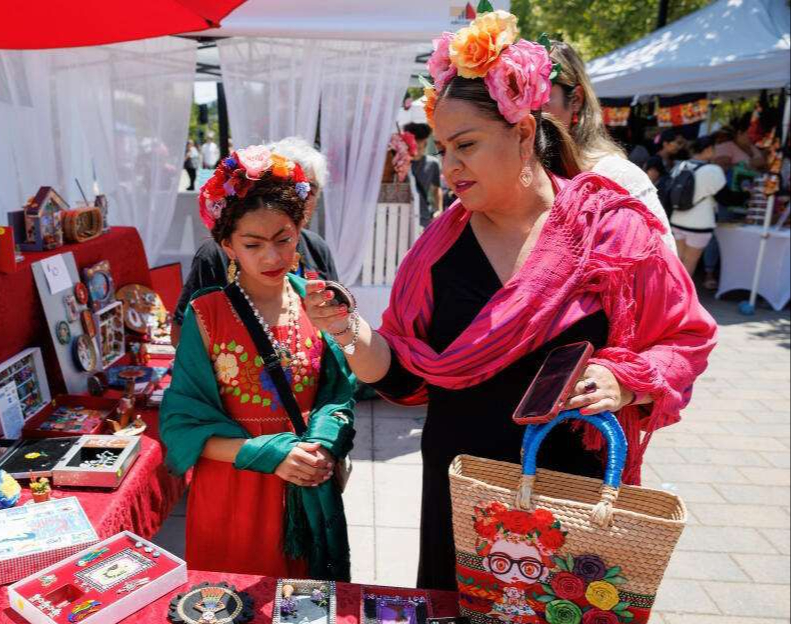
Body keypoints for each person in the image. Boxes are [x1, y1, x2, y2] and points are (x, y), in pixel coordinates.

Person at [304, 13, 717, 591]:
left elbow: (686, 336)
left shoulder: (613, 230)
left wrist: (625, 380)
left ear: (525, 134)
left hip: (569, 487)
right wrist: (349, 330)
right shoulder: (436, 253)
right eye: (443, 148)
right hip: (462, 485)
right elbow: (402, 376)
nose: (448, 166)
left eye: (465, 145)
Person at [160, 145, 355, 581]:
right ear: (226, 245)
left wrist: (322, 443)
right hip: (234, 486)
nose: (272, 257)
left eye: (284, 239)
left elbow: (339, 395)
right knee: (229, 610)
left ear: (301, 228)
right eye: (253, 244)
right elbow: (181, 424)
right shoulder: (206, 315)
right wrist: (270, 454)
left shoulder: (320, 302)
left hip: (304, 482)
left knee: (307, 615)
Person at [171, 137, 339, 345]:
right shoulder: (214, 255)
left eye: (308, 189)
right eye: (252, 245)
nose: (298, 197)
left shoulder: (317, 247)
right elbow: (182, 331)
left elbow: (336, 319)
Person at [544, 41, 676, 253]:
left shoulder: (618, 177)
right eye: (515, 96)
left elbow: (663, 272)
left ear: (576, 99)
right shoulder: (513, 177)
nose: (526, 110)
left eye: (540, 93)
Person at [670, 135, 727, 279]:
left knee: (676, 261)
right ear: (708, 149)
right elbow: (725, 198)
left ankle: (667, 295)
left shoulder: (681, 165)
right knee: (689, 263)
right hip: (700, 224)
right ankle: (680, 299)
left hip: (677, 220)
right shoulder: (713, 170)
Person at [402, 122, 444, 227]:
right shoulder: (400, 163)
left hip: (423, 216)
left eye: (420, 147)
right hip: (402, 214)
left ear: (425, 144)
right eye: (414, 147)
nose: (417, 151)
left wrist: (439, 209)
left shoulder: (433, 163)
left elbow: (436, 189)